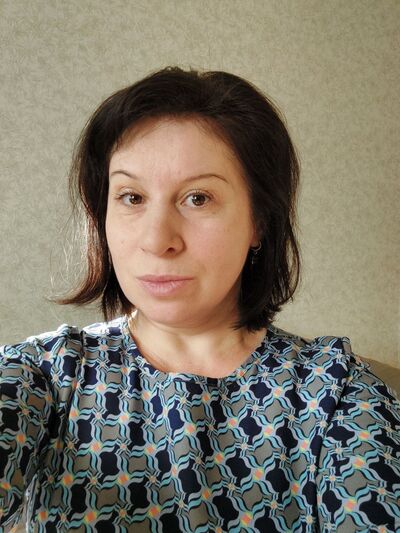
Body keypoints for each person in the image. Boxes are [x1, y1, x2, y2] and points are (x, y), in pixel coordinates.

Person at [0, 66, 399, 533]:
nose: (157, 240)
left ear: (259, 221)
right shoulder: (44, 374)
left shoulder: (336, 392)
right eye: (131, 197)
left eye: (198, 198)